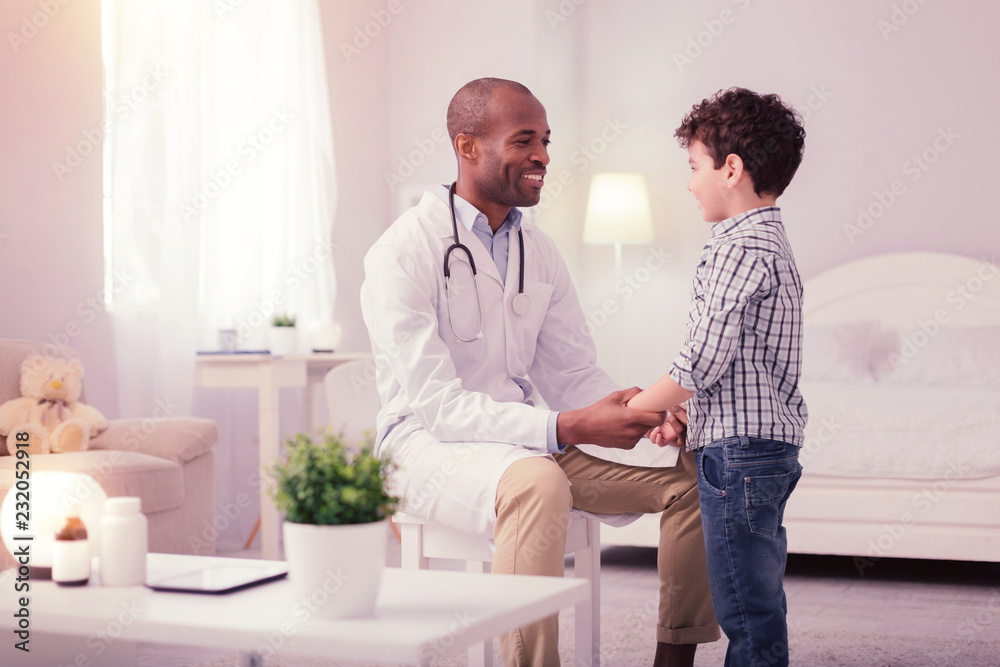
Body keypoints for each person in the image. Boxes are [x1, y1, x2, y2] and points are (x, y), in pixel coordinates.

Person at [361, 77, 719, 667]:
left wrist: (635, 413)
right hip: (426, 445)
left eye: (546, 141)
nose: (543, 157)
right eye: (525, 140)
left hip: (528, 441)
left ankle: (673, 659)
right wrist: (570, 427)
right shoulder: (402, 252)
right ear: (467, 144)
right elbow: (440, 409)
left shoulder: (539, 252)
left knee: (696, 479)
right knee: (538, 482)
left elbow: (573, 370)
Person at [627, 87, 809, 667]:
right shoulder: (769, 239)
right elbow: (733, 366)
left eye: (693, 166)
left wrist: (639, 409)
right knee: (755, 590)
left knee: (743, 604)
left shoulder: (737, 248)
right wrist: (684, 412)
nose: (688, 182)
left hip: (738, 455)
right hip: (760, 445)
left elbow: (701, 360)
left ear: (730, 169)